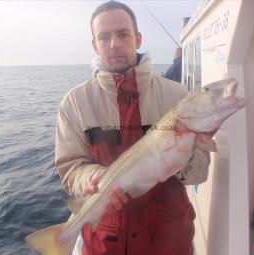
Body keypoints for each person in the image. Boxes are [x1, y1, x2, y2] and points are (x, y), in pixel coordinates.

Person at [55, 1, 210, 254]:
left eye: (123, 34)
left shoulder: (178, 97)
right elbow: (70, 170)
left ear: (137, 38)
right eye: (104, 37)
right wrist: (92, 178)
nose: (114, 43)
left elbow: (199, 175)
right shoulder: (74, 104)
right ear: (95, 45)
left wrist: (183, 153)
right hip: (106, 242)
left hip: (170, 239)